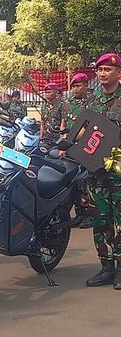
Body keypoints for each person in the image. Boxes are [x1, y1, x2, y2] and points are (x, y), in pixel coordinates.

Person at [84, 53, 121, 290]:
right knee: (100, 218)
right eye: (100, 70)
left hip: (117, 165)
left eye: (107, 69)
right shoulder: (93, 101)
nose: (103, 74)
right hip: (95, 167)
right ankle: (106, 267)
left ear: (118, 73)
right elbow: (84, 130)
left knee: (119, 218)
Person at [64, 73, 92, 229]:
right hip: (72, 147)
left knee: (85, 182)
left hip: (87, 147)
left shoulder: (92, 101)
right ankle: (79, 213)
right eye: (73, 86)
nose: (75, 89)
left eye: (78, 86)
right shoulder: (68, 103)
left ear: (85, 85)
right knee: (73, 181)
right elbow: (65, 122)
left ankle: (88, 214)